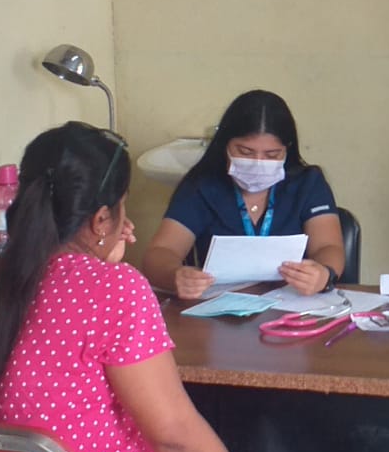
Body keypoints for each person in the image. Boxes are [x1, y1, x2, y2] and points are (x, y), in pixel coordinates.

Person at [0, 121, 309, 452]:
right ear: (101, 219)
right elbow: (174, 434)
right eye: (122, 208)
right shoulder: (113, 287)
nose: (130, 224)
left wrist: (101, 253)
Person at [143, 90, 345, 301]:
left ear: (287, 149)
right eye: (245, 152)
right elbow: (161, 251)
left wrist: (324, 274)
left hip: (292, 304)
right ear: (225, 145)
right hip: (217, 307)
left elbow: (328, 246)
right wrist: (175, 275)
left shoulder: (308, 183)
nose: (258, 162)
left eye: (272, 155)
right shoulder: (202, 186)